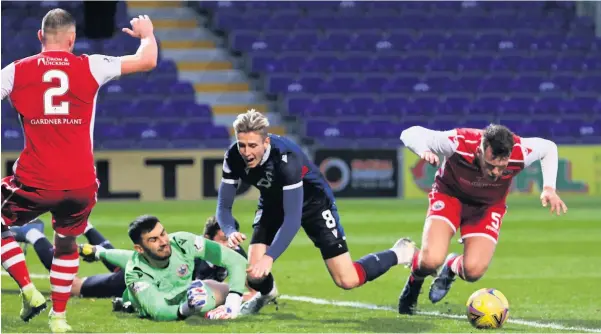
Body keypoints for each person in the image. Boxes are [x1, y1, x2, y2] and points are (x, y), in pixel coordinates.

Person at [0, 8, 157, 332]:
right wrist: (147, 34)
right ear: (71, 39)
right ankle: (59, 318)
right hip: (81, 181)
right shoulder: (92, 64)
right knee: (67, 244)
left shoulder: (15, 71)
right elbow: (146, 60)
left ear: (41, 37)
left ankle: (29, 289)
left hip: (36, 178)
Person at [216, 109, 417, 315]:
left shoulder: (287, 158)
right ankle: (267, 293)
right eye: (242, 145)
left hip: (313, 203)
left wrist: (270, 257)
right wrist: (230, 230)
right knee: (254, 274)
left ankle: (400, 253)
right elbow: (223, 206)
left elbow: (293, 219)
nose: (247, 152)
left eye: (252, 146)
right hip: (272, 202)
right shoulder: (233, 156)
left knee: (346, 279)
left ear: (266, 142)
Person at [397, 124, 568, 314]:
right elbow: (409, 133)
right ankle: (414, 282)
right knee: (430, 261)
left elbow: (549, 148)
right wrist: (424, 150)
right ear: (480, 150)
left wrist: (549, 188)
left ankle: (451, 266)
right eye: (491, 165)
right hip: (450, 197)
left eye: (501, 168)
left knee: (473, 272)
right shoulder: (459, 142)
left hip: (487, 206)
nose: (495, 173)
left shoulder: (520, 151)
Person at [10, 216, 254, 301]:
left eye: (228, 240)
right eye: (221, 239)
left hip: (148, 272)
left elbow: (249, 284)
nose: (226, 245)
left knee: (108, 255)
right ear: (208, 238)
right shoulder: (198, 255)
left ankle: (82, 223)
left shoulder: (232, 253)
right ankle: (33, 233)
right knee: (71, 285)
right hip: (136, 280)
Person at [111, 214, 248, 321]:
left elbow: (236, 260)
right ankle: (123, 301)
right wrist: (186, 308)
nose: (164, 241)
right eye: (153, 239)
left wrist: (233, 303)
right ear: (139, 248)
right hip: (150, 298)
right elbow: (158, 310)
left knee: (220, 289)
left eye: (163, 233)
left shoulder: (183, 242)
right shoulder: (136, 273)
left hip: (184, 292)